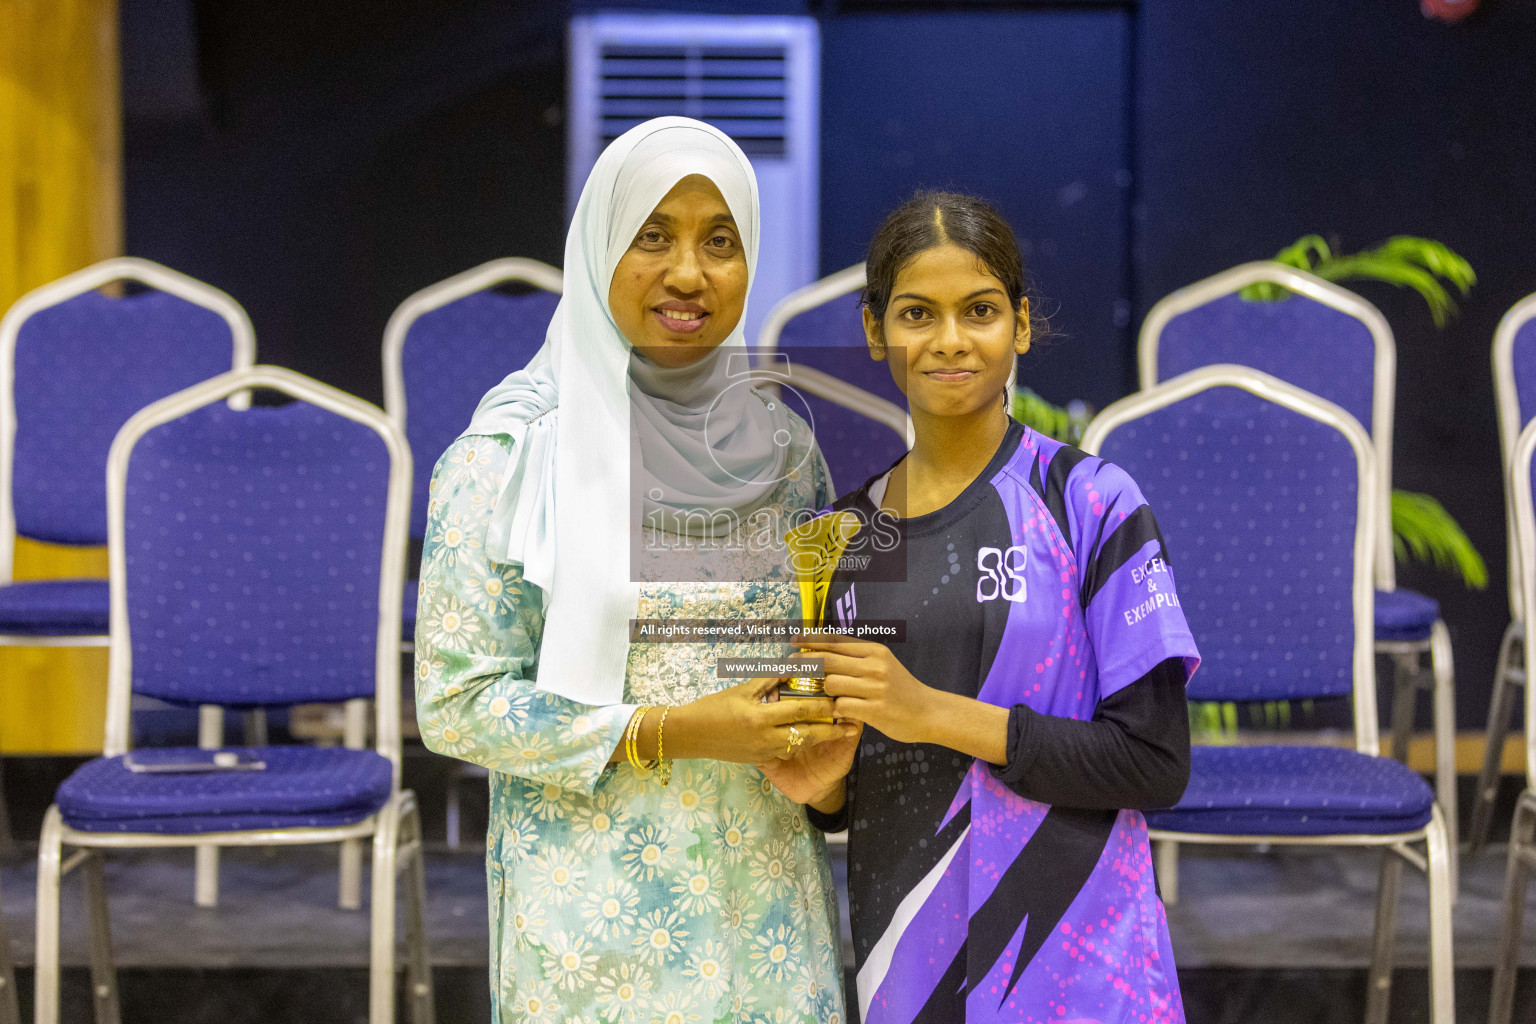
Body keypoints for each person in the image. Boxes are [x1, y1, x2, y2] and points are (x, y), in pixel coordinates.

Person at [415, 117, 852, 1024]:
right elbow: (455, 702)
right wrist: (678, 729)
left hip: (768, 906)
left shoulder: (784, 451)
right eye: (653, 236)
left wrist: (828, 757)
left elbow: (808, 659)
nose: (688, 272)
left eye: (719, 241)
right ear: (599, 248)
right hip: (594, 916)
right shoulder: (507, 458)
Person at [761, 191, 1199, 1023]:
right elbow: (857, 782)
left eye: (981, 311)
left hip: (1079, 961)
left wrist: (933, 714)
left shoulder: (1093, 504)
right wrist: (823, 793)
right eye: (917, 313)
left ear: (1022, 325)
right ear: (874, 330)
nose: (951, 340)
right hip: (909, 964)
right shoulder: (845, 539)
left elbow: (1154, 764)